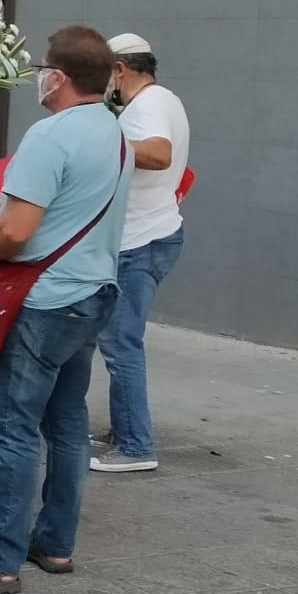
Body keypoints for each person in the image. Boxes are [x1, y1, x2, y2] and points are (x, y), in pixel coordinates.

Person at [0, 27, 130, 594]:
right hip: (92, 295)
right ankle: (54, 543)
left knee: (13, 426)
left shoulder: (51, 135)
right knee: (66, 423)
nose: (39, 76)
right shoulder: (116, 134)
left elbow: (16, 230)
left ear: (57, 77)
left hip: (44, 299)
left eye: (42, 68)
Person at [91, 33, 189, 474]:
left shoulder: (147, 105)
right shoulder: (164, 100)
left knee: (120, 344)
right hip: (152, 233)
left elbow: (160, 154)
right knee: (119, 340)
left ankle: (135, 445)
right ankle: (124, 428)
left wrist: (98, 145)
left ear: (119, 69)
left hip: (140, 240)